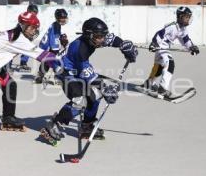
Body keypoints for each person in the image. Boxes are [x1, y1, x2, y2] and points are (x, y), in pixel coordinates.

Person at [40, 17, 138, 145]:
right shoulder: (80, 49)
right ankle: (53, 124)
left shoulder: (94, 39)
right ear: (89, 35)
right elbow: (88, 75)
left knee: (96, 95)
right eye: (99, 37)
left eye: (102, 36)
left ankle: (87, 125)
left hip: (77, 68)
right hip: (66, 73)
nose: (102, 40)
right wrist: (105, 88)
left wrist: (124, 45)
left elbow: (111, 39)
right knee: (80, 100)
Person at [0, 12, 57, 145]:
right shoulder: (19, 40)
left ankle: (8, 118)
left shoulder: (16, 34)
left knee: (10, 85)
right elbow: (44, 56)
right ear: (24, 27)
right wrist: (63, 62)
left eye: (36, 28)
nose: (35, 31)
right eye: (33, 28)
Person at [141, 6, 200, 98]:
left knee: (159, 68)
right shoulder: (172, 26)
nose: (188, 19)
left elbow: (185, 40)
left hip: (164, 49)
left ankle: (148, 83)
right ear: (180, 17)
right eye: (186, 17)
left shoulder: (183, 29)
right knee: (170, 63)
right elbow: (159, 34)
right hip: (160, 48)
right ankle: (162, 89)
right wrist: (154, 44)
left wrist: (192, 47)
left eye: (189, 17)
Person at [34, 8, 69, 83]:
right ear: (57, 18)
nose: (64, 20)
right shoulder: (55, 26)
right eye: (62, 18)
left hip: (44, 46)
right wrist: (56, 51)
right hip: (46, 47)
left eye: (64, 18)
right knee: (54, 59)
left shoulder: (56, 25)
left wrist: (61, 36)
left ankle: (40, 75)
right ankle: (57, 76)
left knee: (48, 60)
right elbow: (53, 42)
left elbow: (55, 37)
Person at [18, 4, 39, 71]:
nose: (34, 15)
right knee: (13, 50)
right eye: (33, 13)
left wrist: (33, 36)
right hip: (19, 36)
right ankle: (8, 65)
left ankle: (23, 63)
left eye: (35, 13)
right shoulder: (24, 18)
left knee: (28, 49)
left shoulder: (35, 20)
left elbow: (37, 30)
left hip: (28, 37)